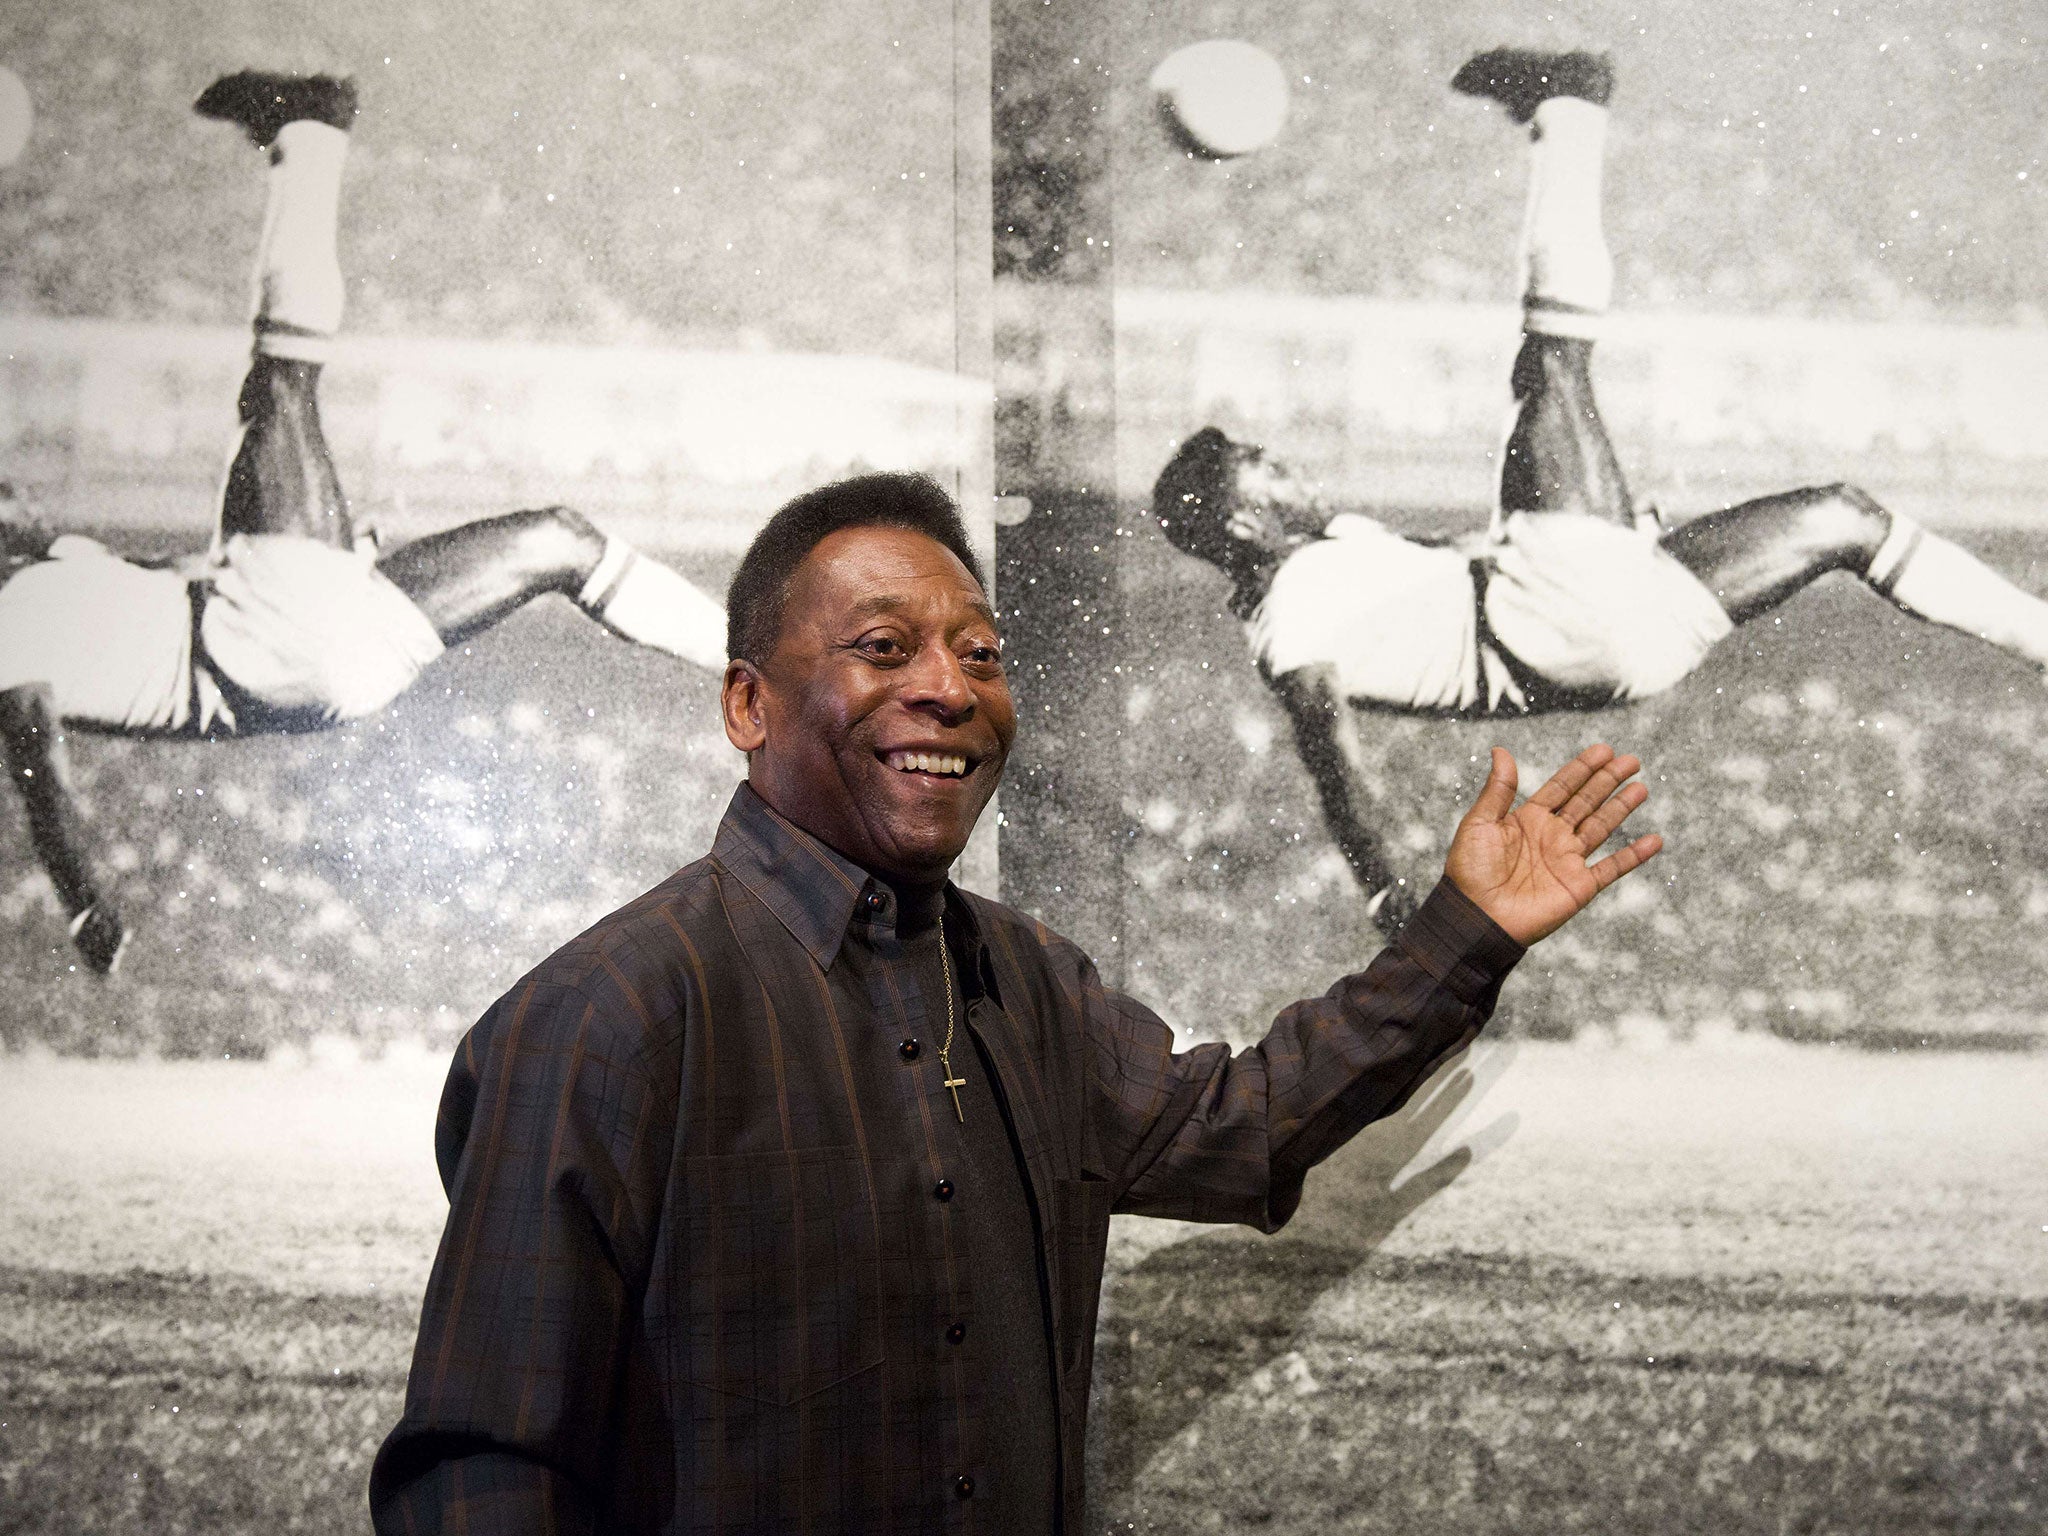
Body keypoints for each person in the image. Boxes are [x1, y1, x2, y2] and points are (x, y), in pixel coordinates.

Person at [368, 467, 1660, 1533]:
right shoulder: (606, 1018)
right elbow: (483, 1472)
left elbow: (1243, 1129)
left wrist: (1462, 937)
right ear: (748, 703)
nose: (948, 685)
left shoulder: (1026, 982)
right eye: (882, 648)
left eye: (980, 652)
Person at [1151, 47, 2048, 934]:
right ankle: (1570, 112)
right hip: (1548, 619)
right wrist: (1386, 885)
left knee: (1845, 517)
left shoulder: (1339, 557)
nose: (1293, 469)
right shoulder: (1290, 618)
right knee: (1551, 363)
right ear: (1242, 517)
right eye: (1268, 466)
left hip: (1619, 639)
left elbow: (1435, 584)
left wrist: (1610, 536)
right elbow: (1330, 756)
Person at [0, 72, 726, 976]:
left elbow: (166, 597)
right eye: (3, 503)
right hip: (255, 644)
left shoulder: (65, 575)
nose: (18, 499)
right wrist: (81, 899)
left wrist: (330, 559)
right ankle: (310, 131)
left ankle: (758, 659)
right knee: (279, 380)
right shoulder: (16, 621)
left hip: (317, 662)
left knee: (562, 540)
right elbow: (41, 772)